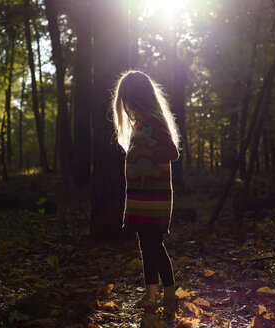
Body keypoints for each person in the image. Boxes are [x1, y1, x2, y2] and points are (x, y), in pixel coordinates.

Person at [112, 70, 180, 319]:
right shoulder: (141, 124)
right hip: (141, 198)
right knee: (146, 246)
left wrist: (146, 154)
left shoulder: (154, 121)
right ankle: (151, 294)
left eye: (127, 101)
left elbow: (172, 152)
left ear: (136, 98)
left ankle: (170, 296)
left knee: (154, 244)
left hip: (155, 199)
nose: (126, 107)